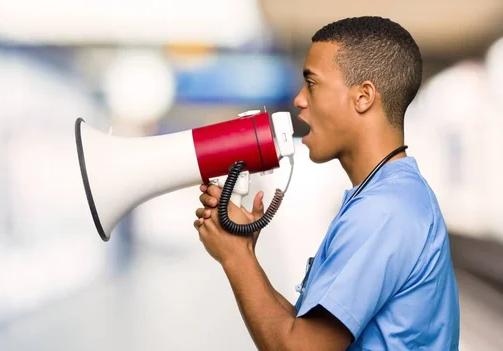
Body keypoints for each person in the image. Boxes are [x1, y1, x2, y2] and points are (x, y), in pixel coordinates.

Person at [193, 16, 460, 350]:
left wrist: (236, 259)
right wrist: (243, 250)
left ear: (363, 97)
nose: (299, 100)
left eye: (312, 83)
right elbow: (306, 332)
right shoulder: (388, 196)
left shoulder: (385, 210)